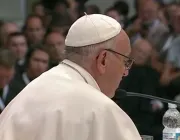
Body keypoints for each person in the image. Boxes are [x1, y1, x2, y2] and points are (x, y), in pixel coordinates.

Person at [0, 14, 141, 140]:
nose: (125, 72)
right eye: (125, 62)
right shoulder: (101, 109)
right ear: (103, 59)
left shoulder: (30, 91)